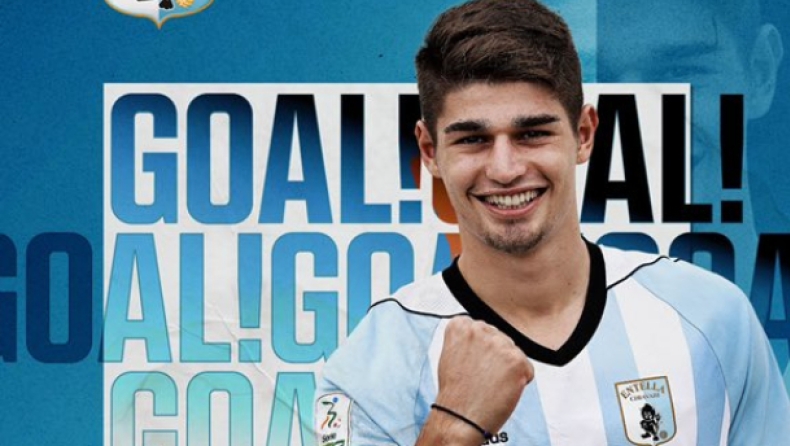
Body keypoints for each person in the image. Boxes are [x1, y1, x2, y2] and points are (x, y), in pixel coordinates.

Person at [314, 0, 790, 445]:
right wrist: (453, 426)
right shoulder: (371, 366)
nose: (505, 169)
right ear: (430, 151)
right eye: (473, 140)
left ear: (583, 134)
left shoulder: (712, 318)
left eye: (532, 134)